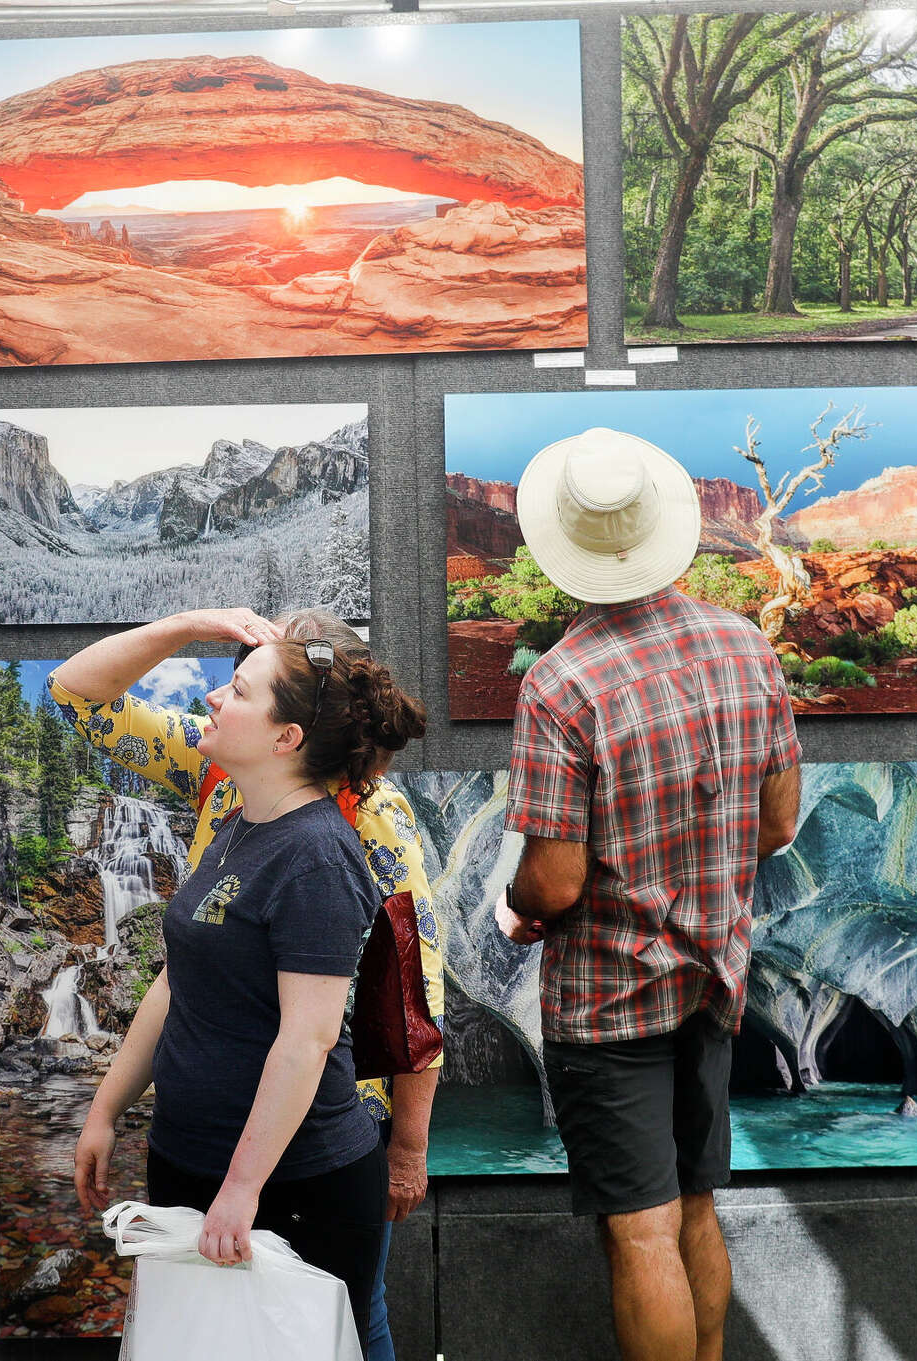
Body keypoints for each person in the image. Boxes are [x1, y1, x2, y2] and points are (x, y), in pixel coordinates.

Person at [492, 428, 802, 1361]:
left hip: (608, 999)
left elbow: (554, 879)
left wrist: (517, 904)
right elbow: (780, 823)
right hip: (713, 981)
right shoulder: (746, 645)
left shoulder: (560, 683)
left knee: (640, 1230)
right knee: (697, 1205)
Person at [59, 608, 439, 1352]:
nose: (212, 697)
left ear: (290, 734)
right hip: (200, 1149)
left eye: (239, 683)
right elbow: (79, 694)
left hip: (304, 1158)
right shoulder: (233, 800)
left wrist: (409, 1146)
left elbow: (406, 998)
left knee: (340, 1330)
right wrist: (188, 621)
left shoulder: (349, 836)